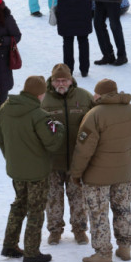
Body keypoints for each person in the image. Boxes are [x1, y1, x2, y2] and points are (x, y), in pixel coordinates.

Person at [69, 79, 131, 262]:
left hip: (97, 177)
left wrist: (76, 173)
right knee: (123, 210)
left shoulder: (95, 114)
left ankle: (103, 254)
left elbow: (84, 149)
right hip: (123, 174)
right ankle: (125, 247)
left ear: (99, 95)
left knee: (98, 214)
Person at [0, 75, 65, 262]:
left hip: (16, 170)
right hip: (37, 173)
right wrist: (59, 128)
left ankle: (9, 245)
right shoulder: (39, 115)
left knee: (19, 204)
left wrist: (12, 158)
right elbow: (52, 143)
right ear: (40, 94)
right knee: (36, 209)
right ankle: (32, 253)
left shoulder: (6, 108)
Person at [41, 64, 94, 247]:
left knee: (78, 197)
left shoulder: (84, 97)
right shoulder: (43, 99)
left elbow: (96, 122)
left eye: (64, 80)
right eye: (57, 80)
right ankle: (54, 231)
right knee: (53, 198)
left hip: (76, 160)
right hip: (51, 161)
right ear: (52, 81)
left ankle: (80, 230)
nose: (61, 84)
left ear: (71, 80)